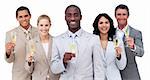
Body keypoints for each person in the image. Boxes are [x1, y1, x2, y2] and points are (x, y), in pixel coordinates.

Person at [51, 5, 104, 80]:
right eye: (69, 15)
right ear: (65, 18)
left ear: (81, 17)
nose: (72, 18)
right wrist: (63, 61)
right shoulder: (57, 40)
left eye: (76, 15)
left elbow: (99, 69)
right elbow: (54, 69)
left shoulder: (93, 39)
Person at [5, 6, 38, 80]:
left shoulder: (39, 31)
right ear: (17, 18)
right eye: (21, 17)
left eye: (26, 16)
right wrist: (8, 52)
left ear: (30, 16)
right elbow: (9, 60)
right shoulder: (10, 34)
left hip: (38, 74)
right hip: (20, 76)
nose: (24, 19)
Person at [24, 14, 60, 80]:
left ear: (50, 26)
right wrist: (29, 62)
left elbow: (59, 63)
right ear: (37, 26)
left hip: (54, 78)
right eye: (41, 25)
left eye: (46, 25)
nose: (44, 28)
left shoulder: (56, 41)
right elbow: (29, 70)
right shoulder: (31, 43)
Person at [93, 13, 126, 80]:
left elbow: (122, 66)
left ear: (110, 24)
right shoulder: (92, 42)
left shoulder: (117, 41)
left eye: (106, 22)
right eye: (101, 23)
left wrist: (119, 56)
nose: (104, 25)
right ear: (97, 25)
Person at [115, 4, 144, 80]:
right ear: (115, 16)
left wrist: (133, 46)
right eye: (119, 14)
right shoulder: (111, 33)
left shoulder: (136, 33)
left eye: (124, 14)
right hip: (114, 73)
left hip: (131, 74)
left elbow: (141, 52)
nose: (121, 17)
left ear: (128, 16)